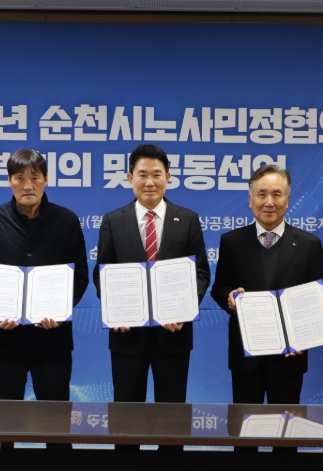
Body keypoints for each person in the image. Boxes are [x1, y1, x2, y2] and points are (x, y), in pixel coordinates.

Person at [93, 144, 210, 420]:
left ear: (168, 177)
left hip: (174, 336)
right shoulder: (113, 221)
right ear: (129, 178)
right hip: (127, 337)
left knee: (172, 419)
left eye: (156, 175)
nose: (149, 182)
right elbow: (102, 274)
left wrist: (184, 310)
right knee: (125, 419)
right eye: (142, 174)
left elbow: (201, 274)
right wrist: (115, 311)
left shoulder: (188, 220)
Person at [0, 149, 88, 415]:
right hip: (4, 341)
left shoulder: (66, 221)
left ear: (46, 179)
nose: (27, 185)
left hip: (52, 340)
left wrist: (60, 311)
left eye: (34, 178)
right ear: (9, 180)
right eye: (19, 178)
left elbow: (79, 276)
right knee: (2, 421)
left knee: (56, 420)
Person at [211, 164, 323, 408]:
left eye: (277, 194)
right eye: (262, 194)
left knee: (287, 426)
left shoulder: (309, 244)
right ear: (250, 200)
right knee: (242, 426)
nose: (269, 202)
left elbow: (316, 298)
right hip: (246, 355)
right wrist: (229, 297)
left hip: (289, 355)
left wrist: (303, 339)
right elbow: (219, 287)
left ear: (287, 200)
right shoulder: (232, 242)